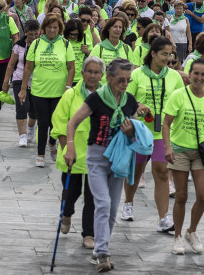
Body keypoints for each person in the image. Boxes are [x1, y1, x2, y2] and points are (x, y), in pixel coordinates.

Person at [64, 59, 141, 272]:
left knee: (113, 206)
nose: (125, 84)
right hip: (97, 156)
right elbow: (72, 123)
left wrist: (130, 131)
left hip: (119, 158)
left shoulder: (129, 101)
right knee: (103, 203)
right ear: (109, 77)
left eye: (128, 80)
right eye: (120, 80)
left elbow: (136, 131)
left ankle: (100, 250)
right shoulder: (96, 98)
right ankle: (103, 252)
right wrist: (70, 147)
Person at [162, 58, 204, 255]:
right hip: (180, 149)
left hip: (201, 152)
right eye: (195, 74)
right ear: (189, 74)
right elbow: (166, 124)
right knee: (181, 196)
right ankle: (178, 236)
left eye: (203, 74)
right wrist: (167, 148)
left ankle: (192, 231)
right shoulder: (179, 95)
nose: (199, 78)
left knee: (203, 195)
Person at [124, 37, 186, 231]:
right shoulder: (137, 74)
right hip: (140, 132)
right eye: (163, 54)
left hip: (164, 133)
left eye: (171, 55)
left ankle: (163, 218)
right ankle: (128, 202)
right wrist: (138, 105)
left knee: (161, 172)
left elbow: (181, 102)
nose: (168, 58)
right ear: (153, 54)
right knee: (136, 170)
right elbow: (126, 99)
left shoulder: (174, 76)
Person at [50, 56, 103, 250]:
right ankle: (67, 212)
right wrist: (66, 147)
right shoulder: (71, 95)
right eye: (89, 71)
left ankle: (89, 233)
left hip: (96, 155)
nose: (92, 75)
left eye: (97, 72)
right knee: (71, 192)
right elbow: (59, 123)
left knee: (92, 197)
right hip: (73, 153)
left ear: (102, 75)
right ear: (82, 73)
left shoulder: (106, 95)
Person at [19, 13, 76, 167]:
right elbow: (28, 67)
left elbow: (71, 67)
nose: (52, 30)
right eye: (49, 27)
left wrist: (68, 87)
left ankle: (52, 142)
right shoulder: (36, 44)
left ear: (60, 29)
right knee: (43, 123)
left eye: (55, 27)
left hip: (59, 91)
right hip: (39, 90)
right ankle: (40, 154)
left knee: (55, 123)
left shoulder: (65, 44)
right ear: (43, 28)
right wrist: (23, 89)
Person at [1, 20, 40, 147]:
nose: (33, 38)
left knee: (34, 110)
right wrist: (6, 82)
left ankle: (30, 128)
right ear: (25, 33)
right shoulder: (19, 45)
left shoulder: (42, 45)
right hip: (19, 78)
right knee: (22, 107)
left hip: (37, 80)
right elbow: (11, 64)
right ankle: (22, 136)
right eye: (31, 35)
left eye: (36, 34)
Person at [65, 19, 94, 86]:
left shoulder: (86, 38)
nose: (72, 36)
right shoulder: (64, 40)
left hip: (81, 78)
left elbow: (93, 57)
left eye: (75, 34)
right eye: (71, 34)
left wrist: (87, 51)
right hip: (66, 78)